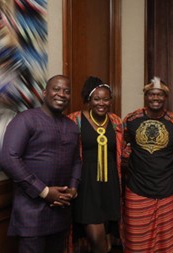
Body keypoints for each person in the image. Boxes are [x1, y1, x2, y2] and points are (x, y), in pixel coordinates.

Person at [0, 75, 82, 253]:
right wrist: (44, 191)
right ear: (45, 93)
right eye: (56, 89)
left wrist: (73, 189)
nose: (61, 94)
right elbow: (9, 159)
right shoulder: (25, 119)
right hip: (32, 213)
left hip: (61, 211)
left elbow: (76, 160)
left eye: (67, 91)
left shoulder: (72, 126)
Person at [122, 76, 173, 253]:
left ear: (165, 97)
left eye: (160, 94)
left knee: (166, 242)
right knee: (137, 241)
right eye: (151, 94)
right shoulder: (131, 119)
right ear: (146, 96)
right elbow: (121, 144)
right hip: (137, 189)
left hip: (166, 190)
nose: (156, 98)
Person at [68, 76, 123, 253]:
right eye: (97, 99)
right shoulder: (74, 120)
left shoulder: (116, 121)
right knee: (96, 236)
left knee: (106, 236)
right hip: (86, 184)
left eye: (106, 99)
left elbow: (123, 149)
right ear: (89, 100)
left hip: (110, 184)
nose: (102, 103)